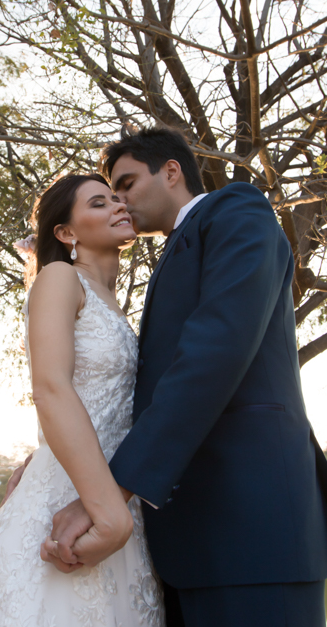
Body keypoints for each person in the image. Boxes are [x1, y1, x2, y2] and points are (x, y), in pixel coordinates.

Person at [39, 128, 327, 627]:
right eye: (109, 195)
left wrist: (111, 493)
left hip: (252, 527)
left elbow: (214, 351)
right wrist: (51, 455)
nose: (120, 202)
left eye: (126, 185)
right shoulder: (164, 259)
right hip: (179, 545)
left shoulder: (237, 209)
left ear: (171, 171)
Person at [0, 172, 165, 627]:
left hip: (118, 490)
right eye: (99, 203)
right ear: (65, 233)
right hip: (74, 496)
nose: (118, 206)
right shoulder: (60, 277)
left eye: (117, 199)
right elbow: (50, 387)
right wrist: (108, 513)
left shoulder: (115, 304)